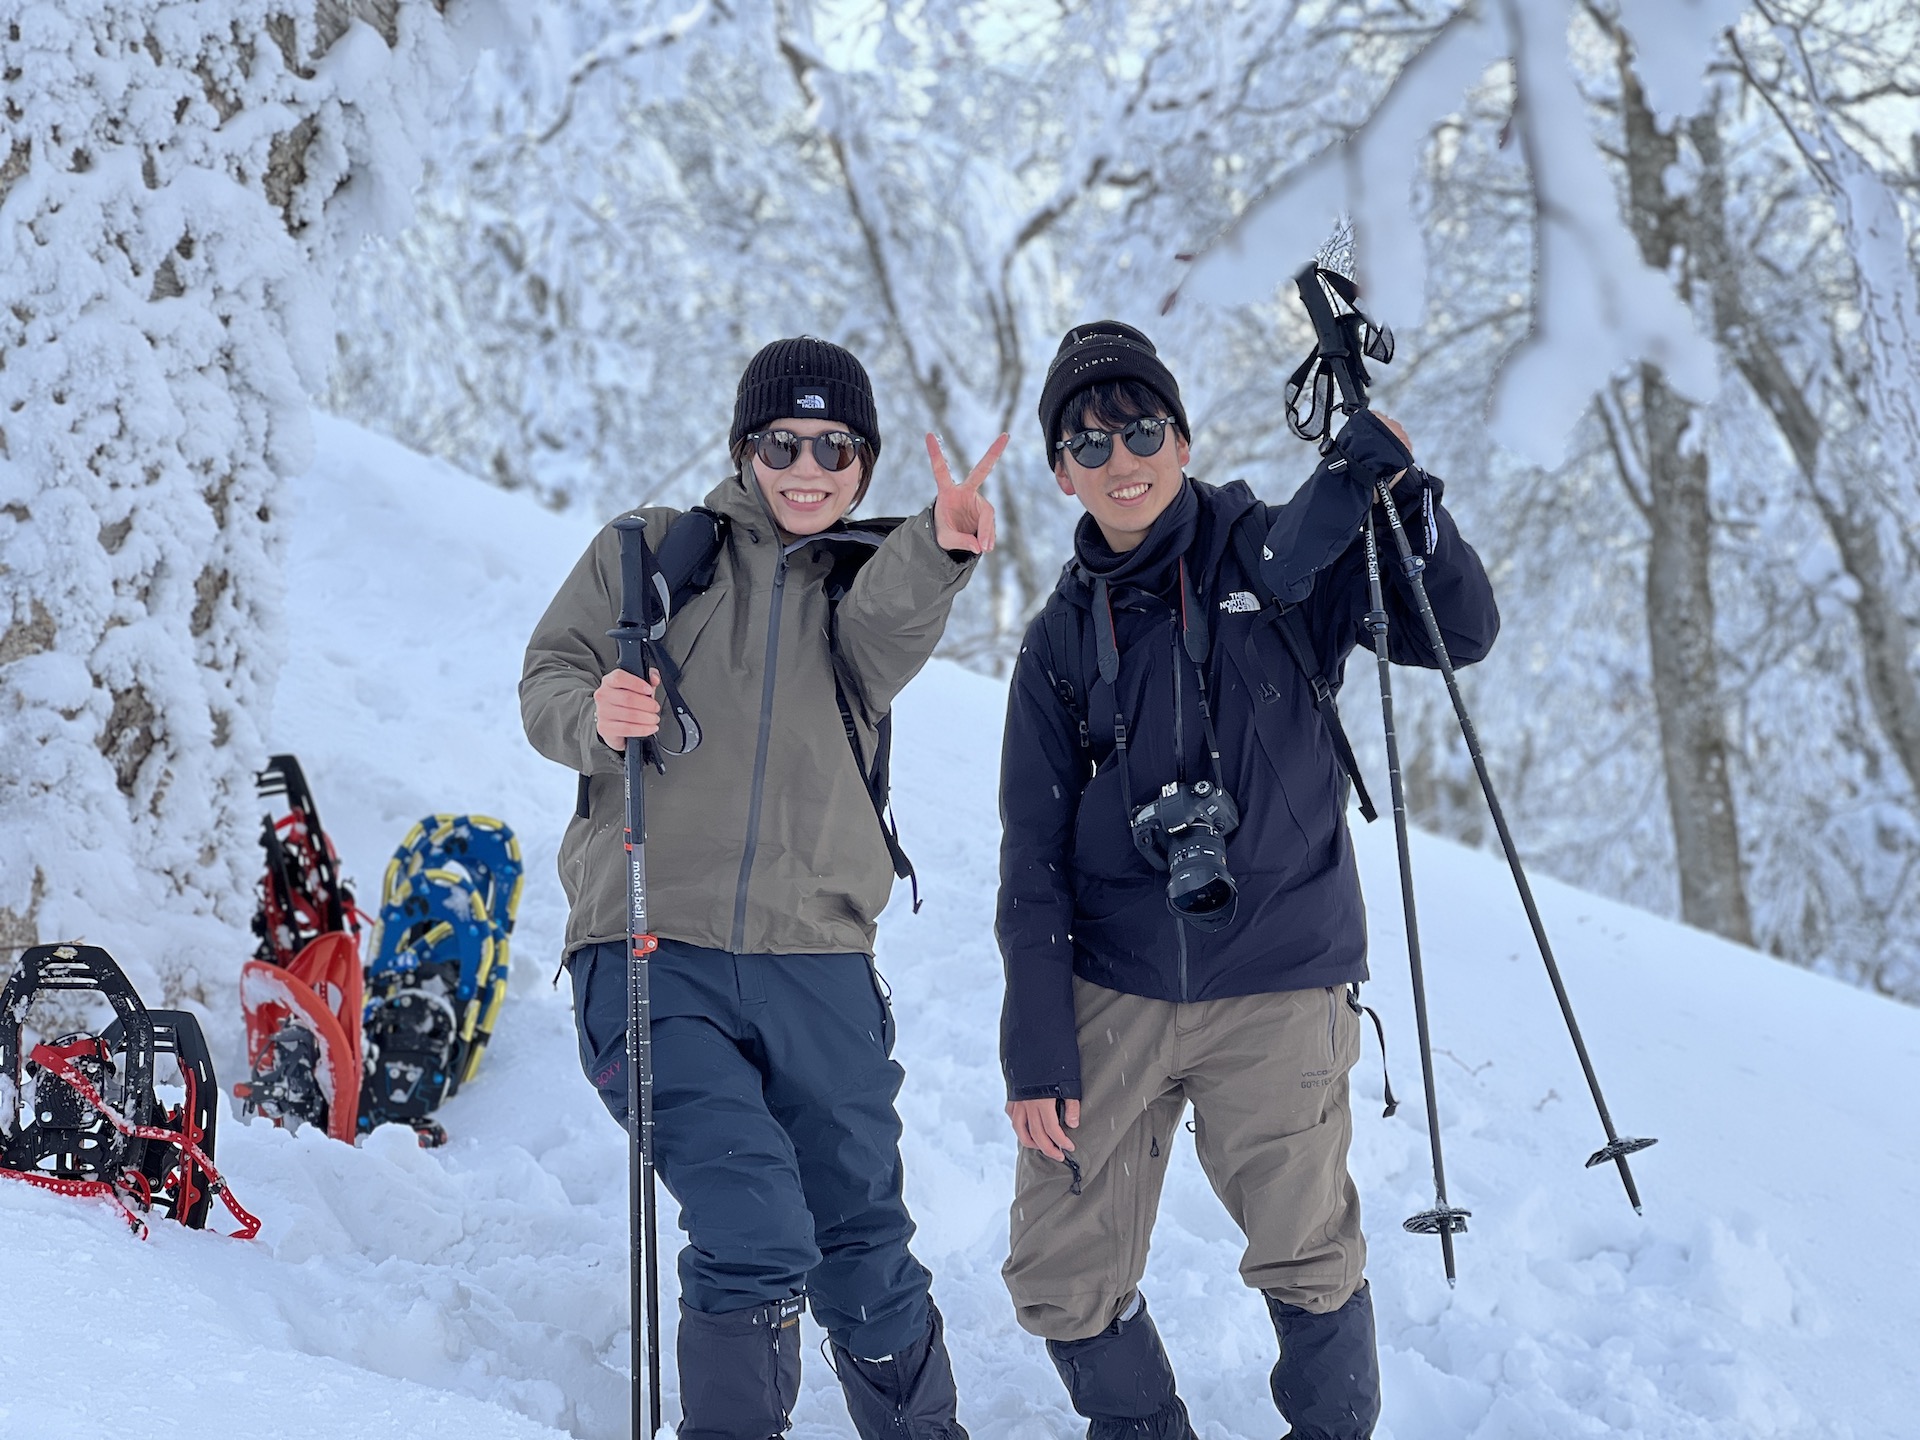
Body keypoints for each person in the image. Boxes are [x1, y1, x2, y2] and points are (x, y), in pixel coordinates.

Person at [995, 321, 1500, 1439]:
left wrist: (1408, 504)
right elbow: (1028, 857)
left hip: (1280, 975)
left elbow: (1456, 633)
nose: (1120, 458)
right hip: (1114, 988)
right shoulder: (1058, 641)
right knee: (1059, 1276)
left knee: (1309, 1255)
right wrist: (1036, 1048)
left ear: (1181, 437)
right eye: (1089, 442)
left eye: (1140, 428)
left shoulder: (1284, 560)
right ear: (1060, 471)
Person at [522, 337, 1003, 1440]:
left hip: (819, 960)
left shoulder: (858, 590)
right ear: (746, 449)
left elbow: (895, 622)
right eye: (783, 441)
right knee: (751, 1221)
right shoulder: (647, 554)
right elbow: (548, 677)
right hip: (650, 946)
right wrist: (596, 714)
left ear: (865, 464)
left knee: (864, 1240)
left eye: (836, 446)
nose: (808, 466)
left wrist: (939, 545)